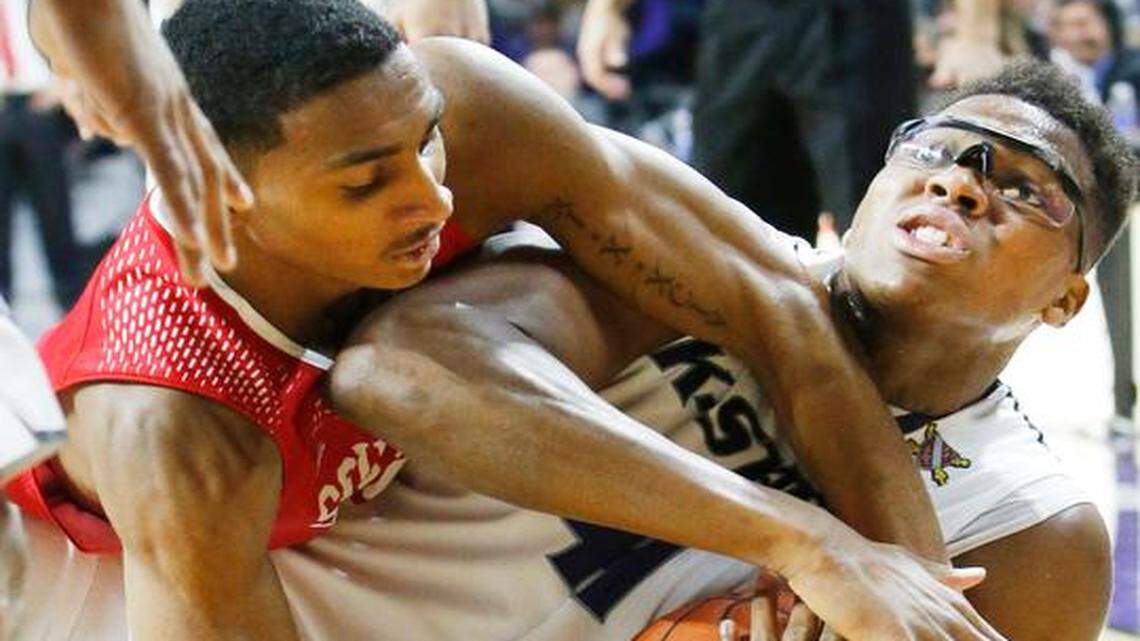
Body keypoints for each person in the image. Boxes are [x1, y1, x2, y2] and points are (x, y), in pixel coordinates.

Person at [3, 1, 1000, 640]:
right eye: (367, 183)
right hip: (92, 586)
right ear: (225, 201)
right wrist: (810, 547)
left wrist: (895, 577)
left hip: (353, 508)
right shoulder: (172, 430)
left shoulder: (467, 107)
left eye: (423, 145)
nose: (431, 199)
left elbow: (775, 302)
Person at [328, 59, 1134, 641]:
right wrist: (804, 542)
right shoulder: (698, 270)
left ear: (1066, 299)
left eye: (1027, 187)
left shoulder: (1028, 524)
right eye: (934, 149)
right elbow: (398, 372)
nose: (959, 183)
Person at [578, 0, 1005, 241]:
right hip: (739, 20)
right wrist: (606, 10)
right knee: (728, 224)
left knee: (874, 222)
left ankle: (888, 391)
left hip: (856, 20)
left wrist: (975, 32)